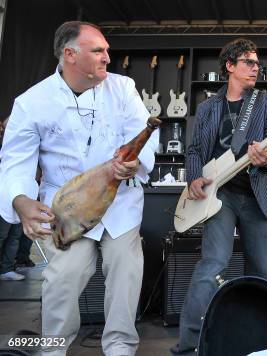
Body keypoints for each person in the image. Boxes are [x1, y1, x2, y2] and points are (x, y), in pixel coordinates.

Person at [0, 21, 158, 355]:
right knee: (61, 282)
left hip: (119, 201)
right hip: (67, 209)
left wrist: (134, 162)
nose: (107, 57)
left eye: (107, 50)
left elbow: (145, 134)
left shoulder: (123, 87)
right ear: (69, 54)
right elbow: (15, 160)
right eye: (98, 50)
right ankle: (53, 349)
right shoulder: (31, 102)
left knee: (125, 274)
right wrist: (21, 200)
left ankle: (120, 349)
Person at [173, 38, 267, 355]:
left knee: (261, 271)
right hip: (218, 196)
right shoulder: (209, 107)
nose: (255, 68)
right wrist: (195, 177)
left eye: (257, 63)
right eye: (249, 62)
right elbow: (195, 150)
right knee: (213, 264)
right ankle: (190, 343)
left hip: (255, 193)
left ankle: (258, 338)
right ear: (230, 66)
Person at [0, 117, 26, 281]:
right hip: (3, 196)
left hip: (19, 196)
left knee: (15, 234)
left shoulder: (21, 146)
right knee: (2, 235)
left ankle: (6, 269)